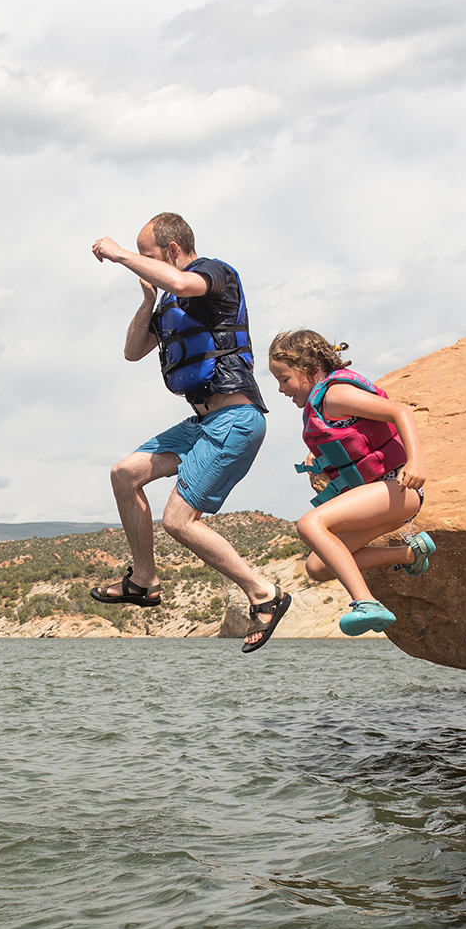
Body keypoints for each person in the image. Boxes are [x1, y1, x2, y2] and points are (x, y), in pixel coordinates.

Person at [88, 213, 290, 652]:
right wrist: (146, 301)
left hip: (236, 418)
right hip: (201, 423)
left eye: (148, 256)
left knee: (178, 520)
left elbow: (182, 285)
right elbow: (131, 352)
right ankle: (144, 581)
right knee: (124, 474)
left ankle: (264, 594)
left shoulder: (215, 274)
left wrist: (120, 255)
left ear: (173, 250)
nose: (142, 262)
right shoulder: (167, 304)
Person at [265, 330, 435, 636]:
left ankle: (366, 602)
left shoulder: (335, 393)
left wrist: (416, 462)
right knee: (317, 567)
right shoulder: (321, 405)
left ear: (309, 368)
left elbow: (400, 412)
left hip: (398, 488)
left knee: (309, 525)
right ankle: (409, 554)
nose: (280, 389)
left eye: (284, 378)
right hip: (382, 496)